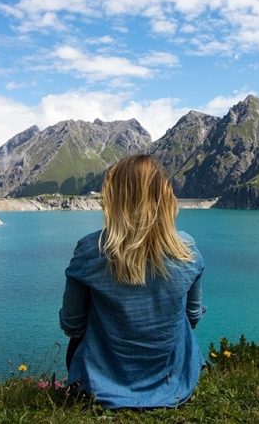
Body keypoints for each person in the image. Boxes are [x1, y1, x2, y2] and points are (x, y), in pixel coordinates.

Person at [59, 154, 205, 409]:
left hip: (98, 388)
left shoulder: (89, 250)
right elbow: (192, 317)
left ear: (114, 199)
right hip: (174, 385)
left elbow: (72, 324)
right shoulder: (188, 250)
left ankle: (100, 383)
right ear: (165, 197)